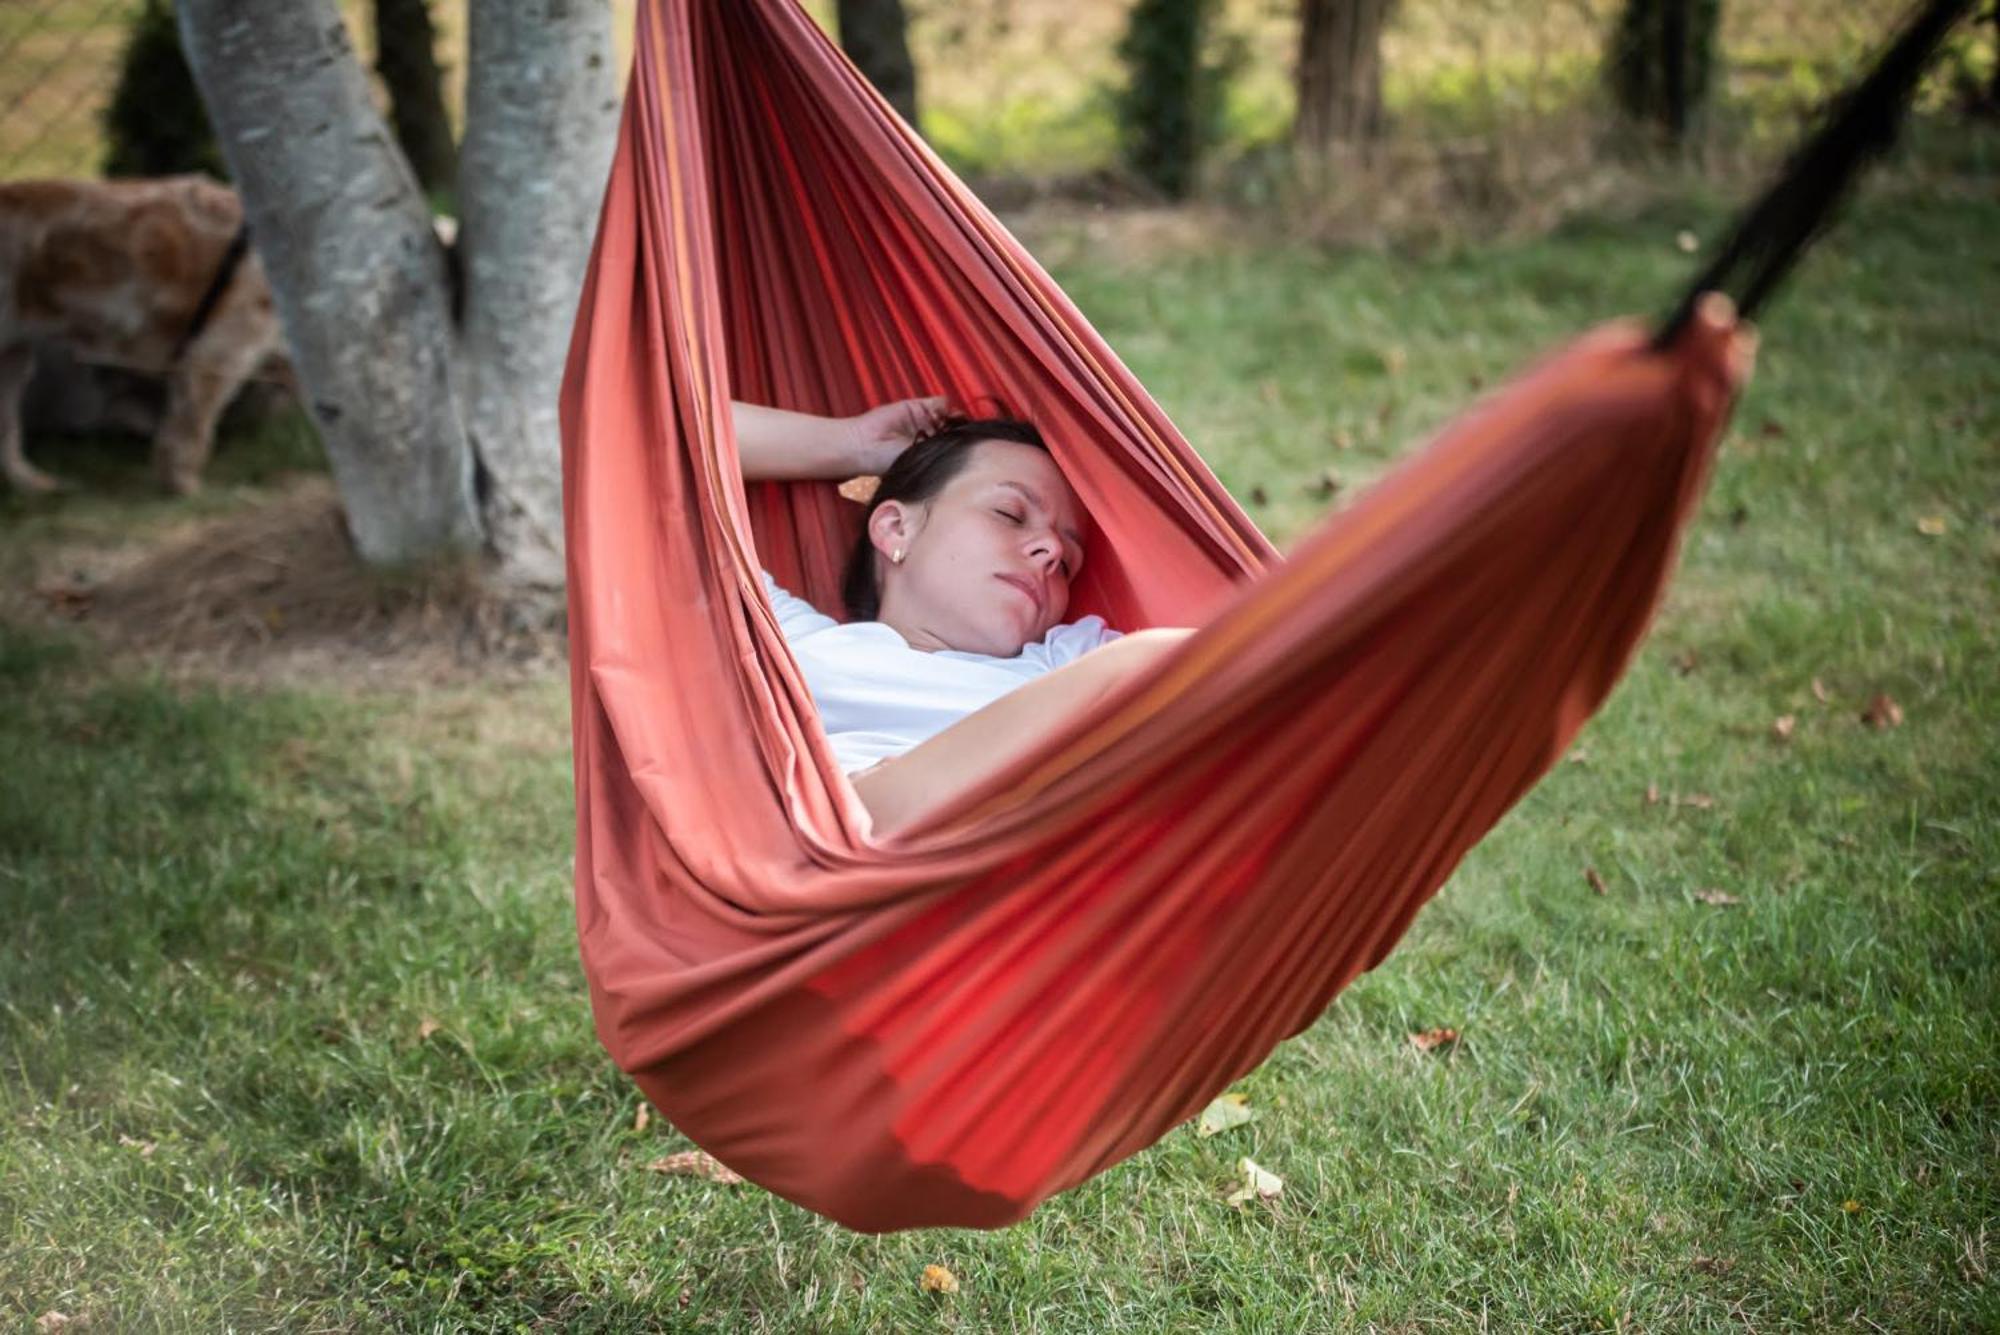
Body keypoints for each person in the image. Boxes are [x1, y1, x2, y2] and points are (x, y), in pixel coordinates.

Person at [732, 398, 1195, 836]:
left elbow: (1218, 678)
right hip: (828, 839)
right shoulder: (785, 640)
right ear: (897, 528)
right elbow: (665, 452)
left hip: (1004, 856)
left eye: (1068, 563)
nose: (1052, 551)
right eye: (1010, 514)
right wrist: (849, 444)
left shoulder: (1067, 661)